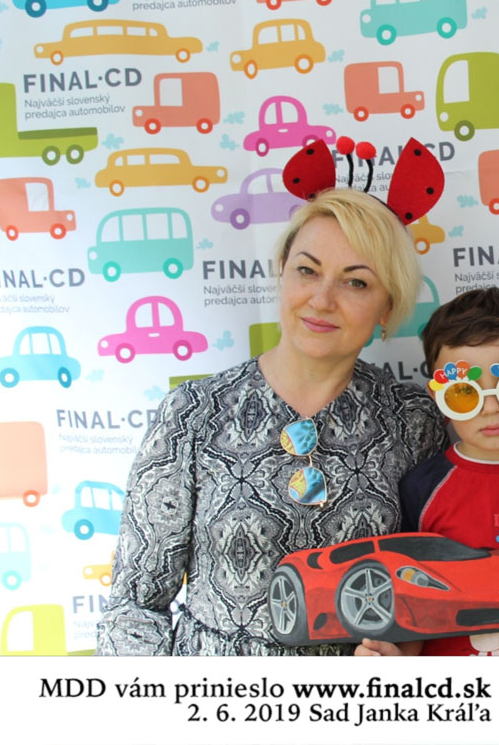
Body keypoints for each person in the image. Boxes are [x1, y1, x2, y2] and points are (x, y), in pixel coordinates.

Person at [96, 188, 447, 655]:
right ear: (282, 273)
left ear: (387, 307)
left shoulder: (413, 420)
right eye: (307, 270)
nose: (322, 299)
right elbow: (135, 606)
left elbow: (434, 587)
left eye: (356, 282)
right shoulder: (194, 412)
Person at [356, 287, 499, 657]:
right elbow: (413, 603)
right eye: (465, 392)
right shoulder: (420, 489)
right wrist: (396, 658)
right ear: (438, 397)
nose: (491, 407)